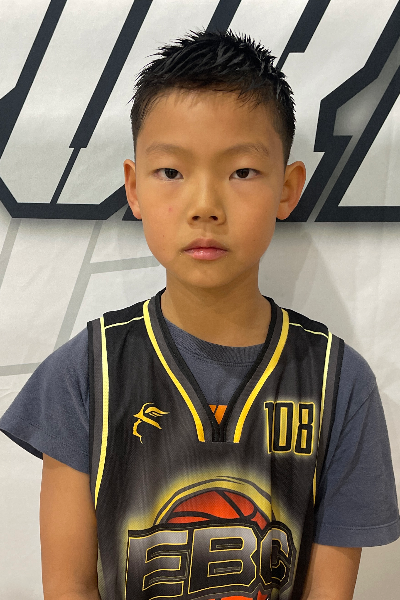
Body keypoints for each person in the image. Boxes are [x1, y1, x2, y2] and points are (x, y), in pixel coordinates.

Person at [0, 28, 399, 600]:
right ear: (134, 188)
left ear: (288, 189)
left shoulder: (340, 383)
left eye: (241, 172)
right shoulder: (84, 374)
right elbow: (68, 585)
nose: (205, 206)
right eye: (172, 172)